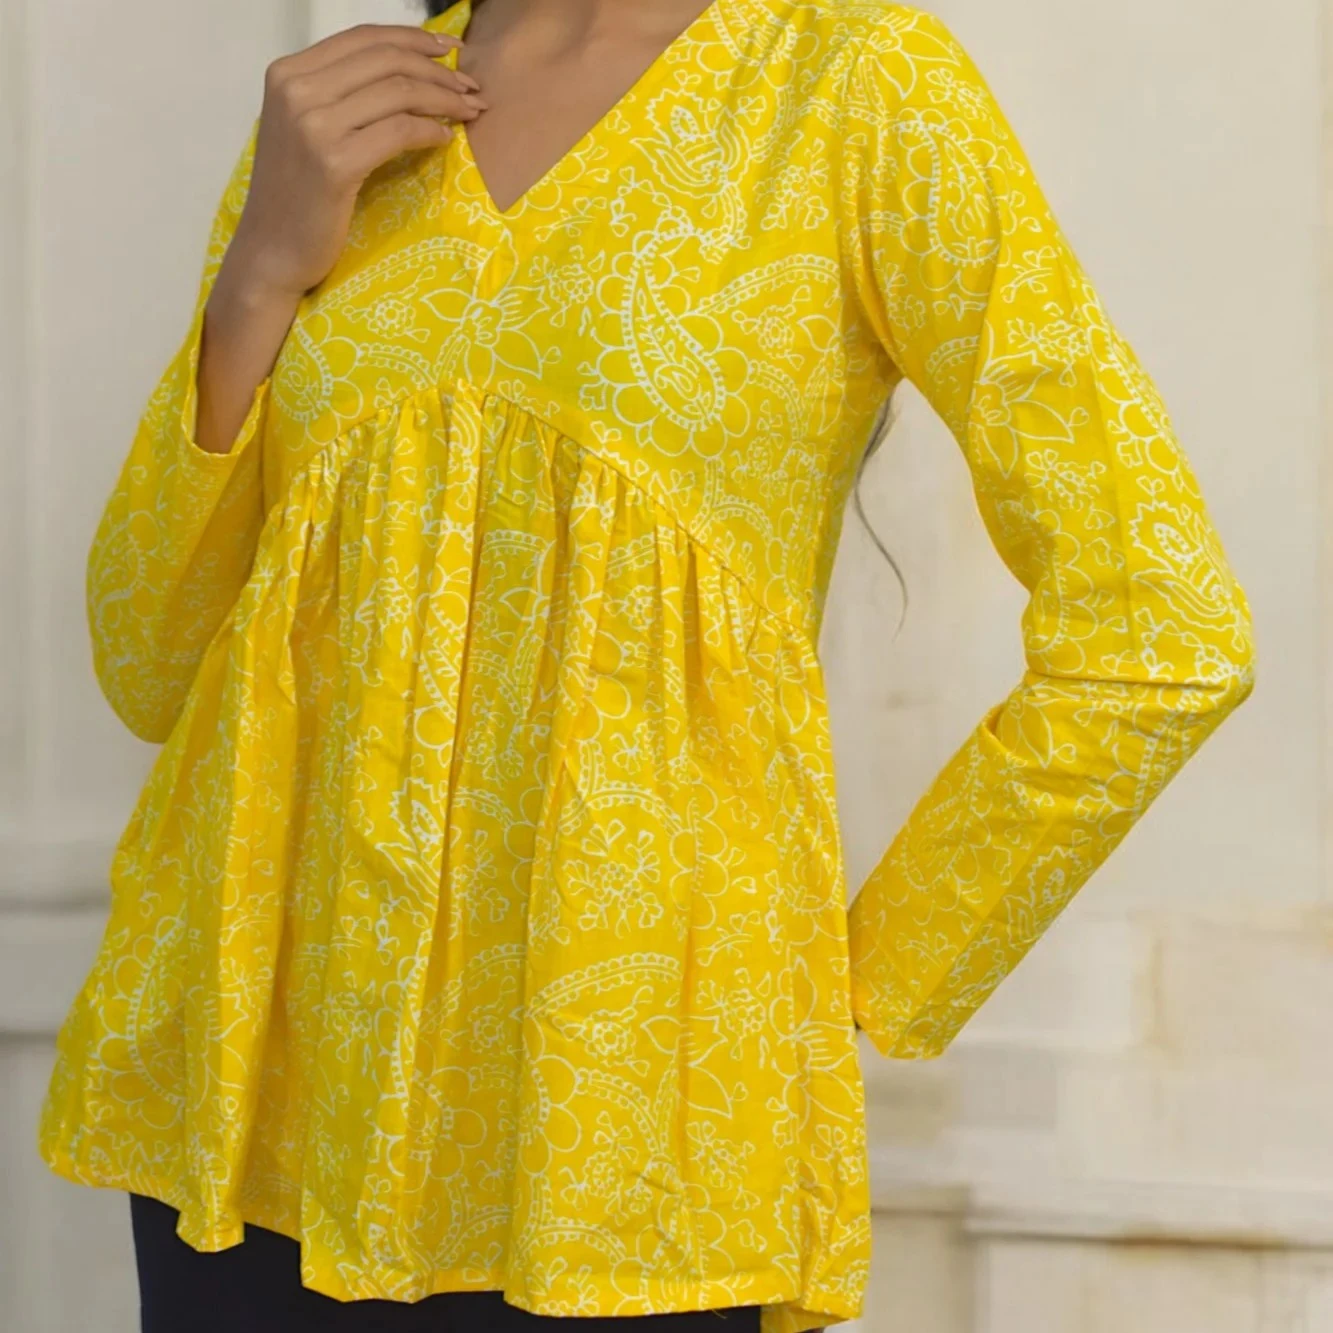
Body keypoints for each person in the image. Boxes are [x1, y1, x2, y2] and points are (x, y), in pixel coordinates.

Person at [38, 1, 1257, 1330]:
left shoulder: (855, 89)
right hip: (248, 1110)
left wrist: (849, 982)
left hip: (620, 1141)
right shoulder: (353, 104)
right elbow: (150, 663)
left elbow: (1160, 626)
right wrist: (263, 270)